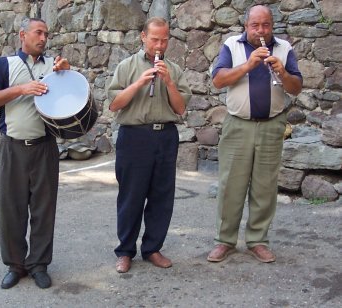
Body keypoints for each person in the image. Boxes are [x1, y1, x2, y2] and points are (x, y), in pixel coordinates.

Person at [207, 5, 303, 263]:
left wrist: (282, 72)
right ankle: (224, 241)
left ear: (272, 25)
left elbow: (296, 88)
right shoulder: (232, 45)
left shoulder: (283, 48)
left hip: (272, 125)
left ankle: (258, 240)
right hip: (238, 125)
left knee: (265, 186)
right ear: (246, 26)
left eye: (266, 25)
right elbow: (218, 80)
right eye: (255, 25)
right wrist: (249, 65)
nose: (261, 31)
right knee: (231, 186)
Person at [0, 17, 70, 289]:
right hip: (13, 147)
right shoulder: (3, 65)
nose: (43, 38)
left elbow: (69, 97)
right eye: (38, 32)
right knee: (11, 209)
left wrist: (68, 72)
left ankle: (39, 264)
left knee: (44, 209)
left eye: (46, 34)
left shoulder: (55, 65)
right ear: (23, 34)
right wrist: (21, 89)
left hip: (45, 147)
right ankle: (15, 265)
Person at [107, 17, 192, 273]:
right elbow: (114, 105)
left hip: (165, 136)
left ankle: (153, 248)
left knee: (161, 196)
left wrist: (168, 82)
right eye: (154, 39)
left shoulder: (174, 70)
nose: (159, 45)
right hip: (134, 136)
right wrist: (139, 83)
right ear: (143, 37)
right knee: (131, 196)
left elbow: (180, 109)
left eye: (164, 40)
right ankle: (125, 251)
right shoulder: (126, 66)